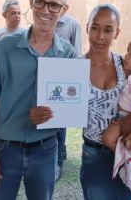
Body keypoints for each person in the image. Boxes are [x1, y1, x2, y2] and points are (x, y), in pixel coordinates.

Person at [0, 0, 75, 200]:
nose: (46, 10)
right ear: (31, 2)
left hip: (45, 149)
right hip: (4, 149)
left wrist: (53, 115)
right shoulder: (4, 49)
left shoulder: (67, 53)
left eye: (54, 4)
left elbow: (69, 106)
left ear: (64, 9)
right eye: (39, 1)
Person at [80, 3, 131, 200]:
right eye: (95, 28)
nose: (100, 36)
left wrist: (126, 123)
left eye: (108, 30)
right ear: (87, 27)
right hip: (93, 154)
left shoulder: (125, 66)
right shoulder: (75, 69)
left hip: (124, 151)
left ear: (117, 32)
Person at [54, 13, 82, 181]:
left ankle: (57, 161)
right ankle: (60, 152)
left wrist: (73, 78)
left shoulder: (72, 24)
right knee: (47, 119)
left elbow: (77, 52)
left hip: (63, 76)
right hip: (45, 76)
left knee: (60, 120)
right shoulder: (42, 21)